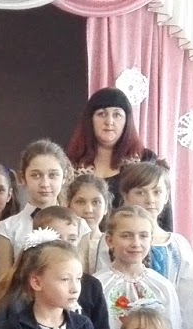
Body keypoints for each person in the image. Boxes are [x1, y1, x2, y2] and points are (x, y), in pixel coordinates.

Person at [64, 88, 166, 227]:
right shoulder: (71, 164)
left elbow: (162, 215)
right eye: (102, 114)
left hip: (135, 238)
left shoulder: (145, 159)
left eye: (117, 115)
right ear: (90, 120)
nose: (109, 121)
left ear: (127, 121)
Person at [96, 206, 182, 329]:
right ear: (109, 241)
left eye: (143, 236)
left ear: (151, 240)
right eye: (126, 236)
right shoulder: (97, 285)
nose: (136, 243)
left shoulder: (162, 286)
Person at [118, 161, 193, 329]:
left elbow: (189, 298)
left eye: (157, 192)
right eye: (140, 192)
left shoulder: (178, 245)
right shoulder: (114, 240)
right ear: (126, 196)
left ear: (167, 196)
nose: (150, 200)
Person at [0, 139, 92, 278]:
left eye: (53, 175)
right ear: (23, 178)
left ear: (64, 177)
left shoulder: (80, 226)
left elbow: (83, 278)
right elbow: (4, 281)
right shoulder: (8, 228)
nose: (45, 184)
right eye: (36, 175)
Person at [65, 172, 110, 273]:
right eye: (80, 202)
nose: (88, 210)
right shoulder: (63, 242)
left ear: (106, 207)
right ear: (68, 205)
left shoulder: (111, 244)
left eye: (96, 202)